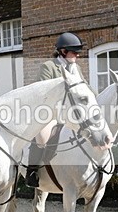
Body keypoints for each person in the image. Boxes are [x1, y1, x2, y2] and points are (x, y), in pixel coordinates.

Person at [25, 31, 87, 188]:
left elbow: (86, 89)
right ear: (63, 51)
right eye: (75, 52)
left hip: (71, 115)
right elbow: (42, 93)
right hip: (51, 115)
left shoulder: (76, 69)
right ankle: (32, 171)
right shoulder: (49, 67)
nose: (77, 56)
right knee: (41, 138)